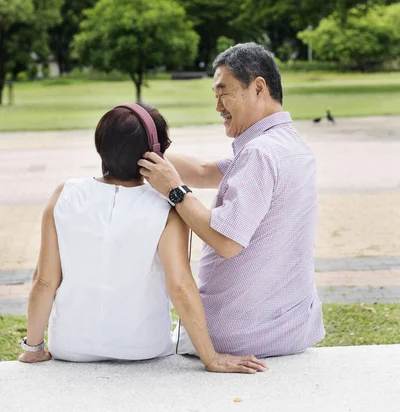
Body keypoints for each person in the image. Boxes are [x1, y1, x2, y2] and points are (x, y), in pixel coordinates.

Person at [18, 102, 267, 374]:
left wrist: (34, 348)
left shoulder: (63, 194)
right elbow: (180, 287)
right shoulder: (168, 209)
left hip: (70, 347)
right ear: (157, 154)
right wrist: (212, 358)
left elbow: (44, 280)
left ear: (100, 145)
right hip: (142, 349)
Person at [139, 43, 325, 357]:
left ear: (258, 87)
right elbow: (201, 171)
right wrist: (144, 152)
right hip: (288, 330)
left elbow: (226, 242)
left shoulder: (260, 154)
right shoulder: (291, 146)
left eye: (223, 92)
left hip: (240, 338)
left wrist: (175, 191)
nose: (218, 107)